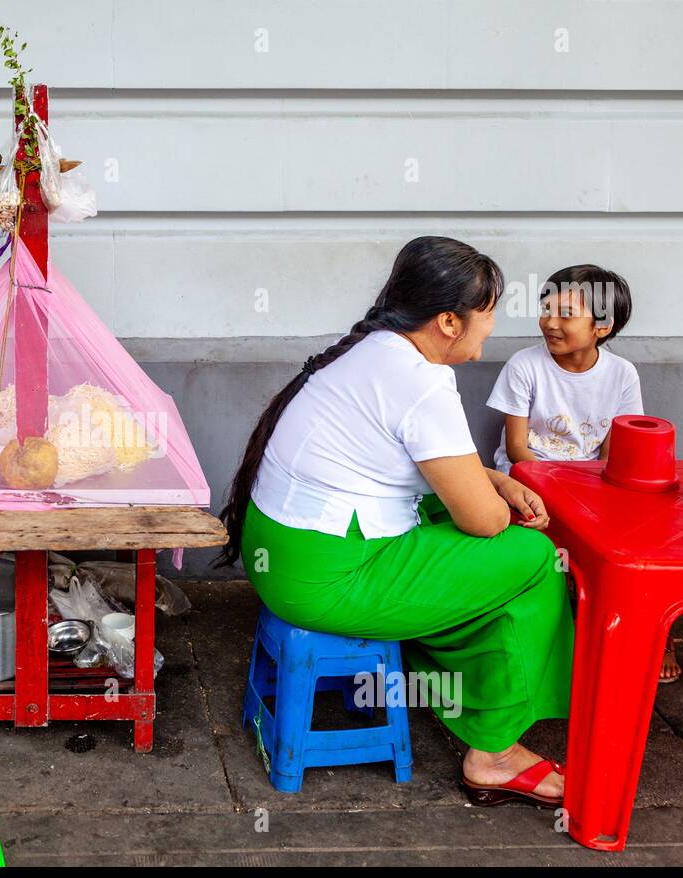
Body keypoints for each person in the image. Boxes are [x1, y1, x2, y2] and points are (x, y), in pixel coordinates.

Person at [218, 236, 574, 807]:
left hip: (282, 554)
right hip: (325, 578)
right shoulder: (422, 382)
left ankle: (449, 681)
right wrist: (495, 495)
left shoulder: (374, 349)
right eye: (489, 312)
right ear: (450, 322)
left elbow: (415, 459)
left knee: (441, 511)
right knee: (533, 560)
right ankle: (495, 752)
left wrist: (493, 477)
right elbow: (484, 523)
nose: (494, 324)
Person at [483, 266, 662, 678]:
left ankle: (645, 636)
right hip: (526, 483)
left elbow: (615, 454)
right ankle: (545, 640)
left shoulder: (621, 375)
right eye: (546, 309)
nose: (550, 322)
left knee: (635, 539)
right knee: (542, 557)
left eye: (565, 313)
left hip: (587, 487)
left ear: (602, 327)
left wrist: (597, 496)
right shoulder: (525, 365)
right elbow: (517, 451)